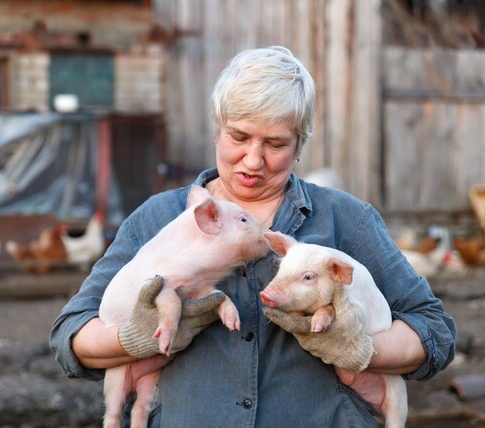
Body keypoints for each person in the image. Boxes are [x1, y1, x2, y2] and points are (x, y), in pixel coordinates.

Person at [50, 46, 456, 427]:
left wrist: (359, 349)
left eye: (276, 143)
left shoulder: (345, 219)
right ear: (217, 129)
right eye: (239, 137)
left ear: (300, 145)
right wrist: (132, 338)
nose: (253, 160)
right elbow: (72, 335)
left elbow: (434, 332)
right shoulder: (159, 219)